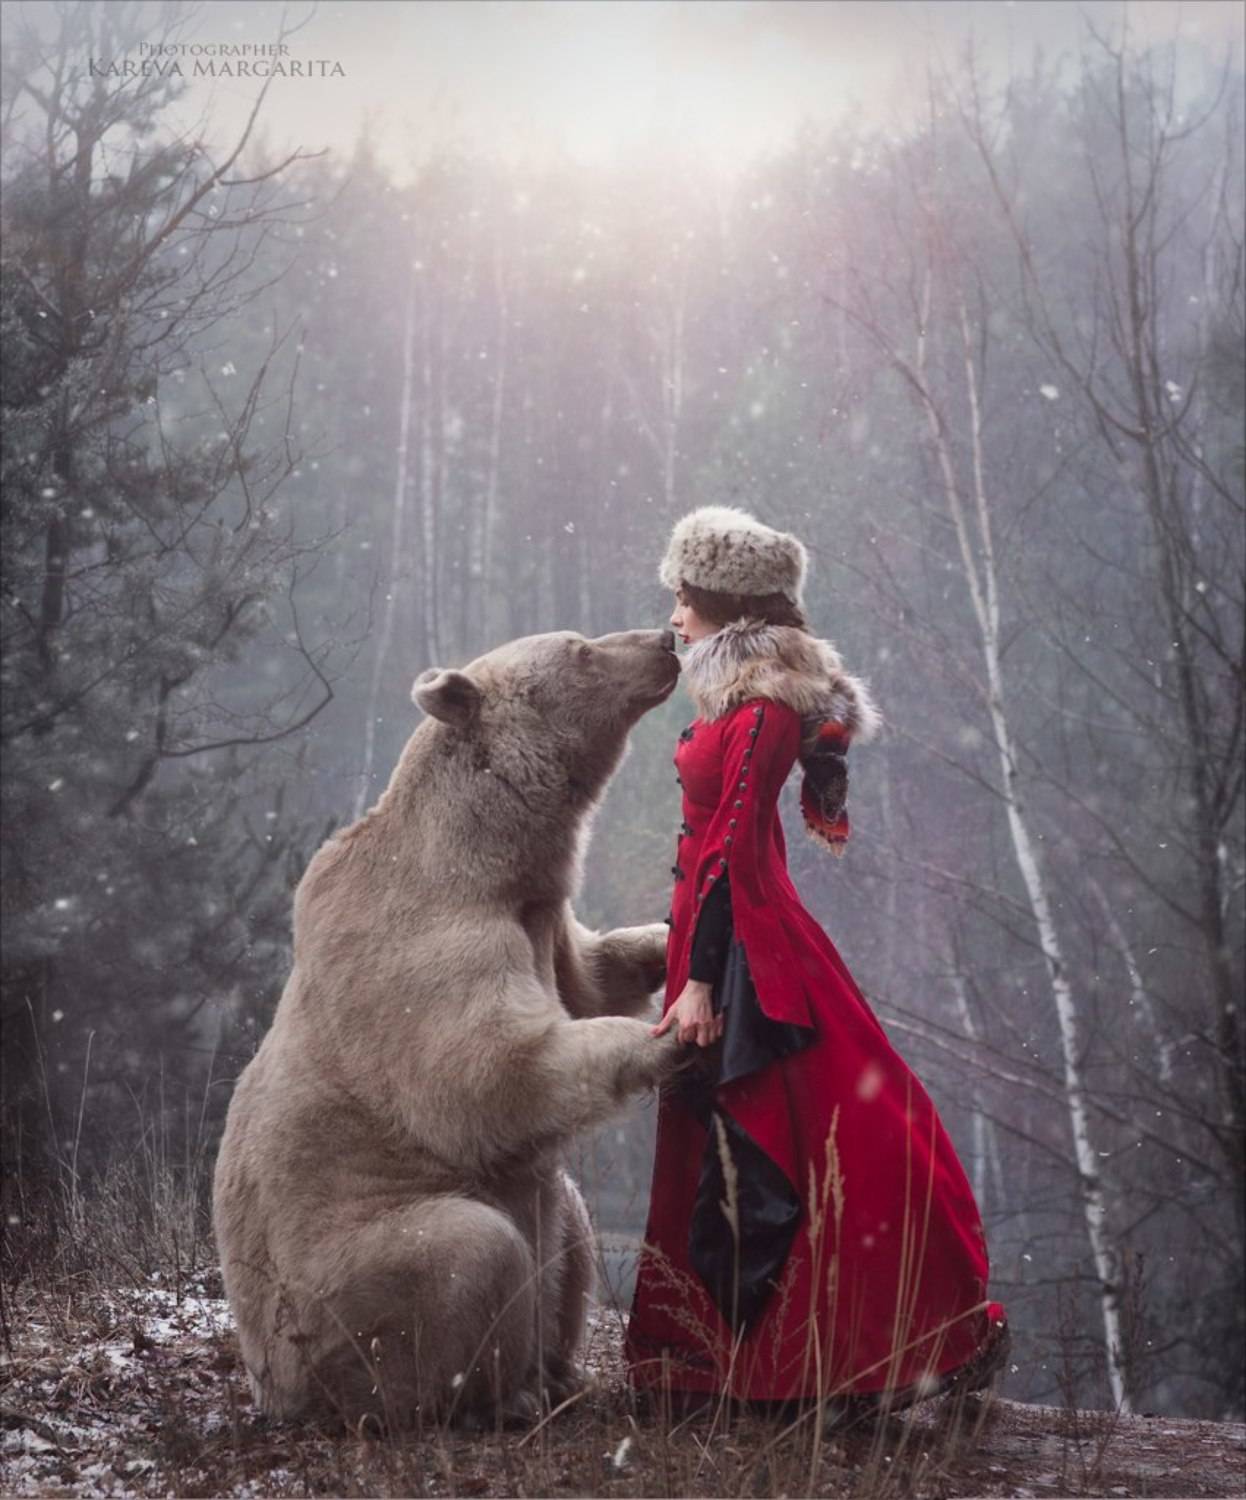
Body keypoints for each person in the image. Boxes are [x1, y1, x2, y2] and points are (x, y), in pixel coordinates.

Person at [625, 504, 1008, 1415]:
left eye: (683, 597)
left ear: (720, 600)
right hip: (718, 940)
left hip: (750, 952)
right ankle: (726, 1361)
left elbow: (730, 849)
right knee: (739, 1144)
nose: (674, 617)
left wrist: (706, 982)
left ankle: (821, 1357)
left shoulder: (762, 706)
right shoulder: (738, 694)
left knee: (805, 1139)